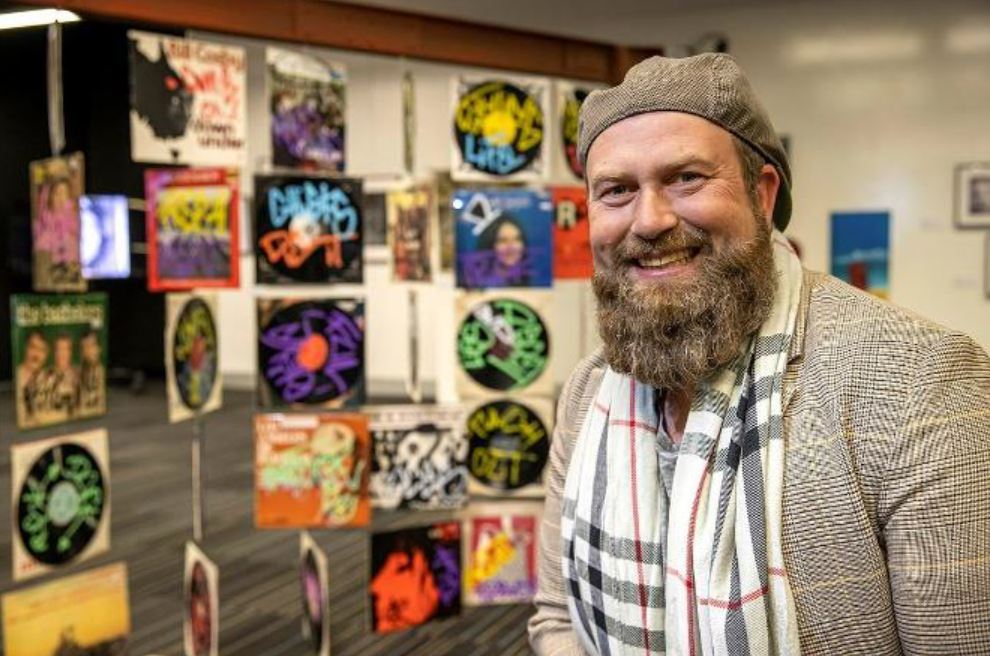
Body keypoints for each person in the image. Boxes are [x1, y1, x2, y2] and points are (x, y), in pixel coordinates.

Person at [529, 54, 990, 655]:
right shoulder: (589, 392)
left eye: (686, 178)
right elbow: (555, 619)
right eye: (616, 191)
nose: (649, 219)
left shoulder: (918, 382)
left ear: (763, 193)